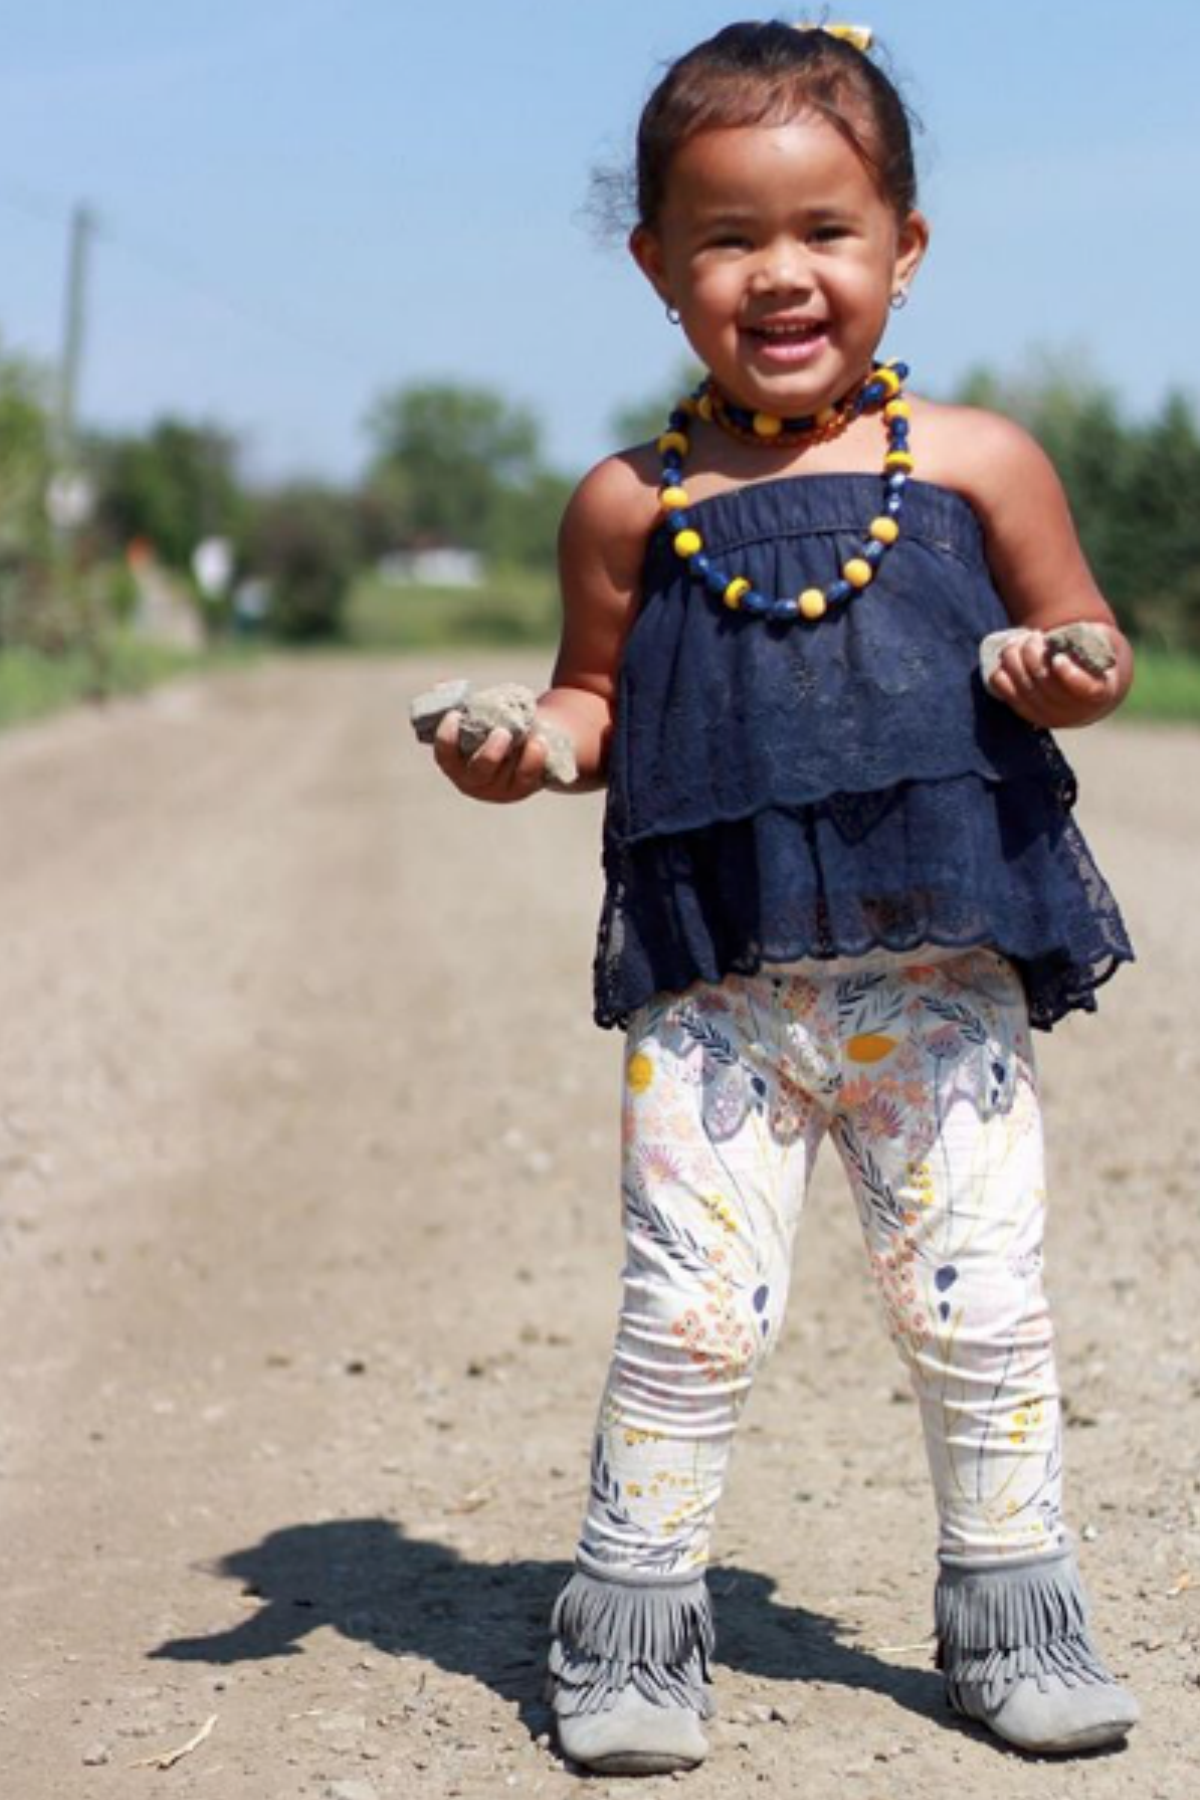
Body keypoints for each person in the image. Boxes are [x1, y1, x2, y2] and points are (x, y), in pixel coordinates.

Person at [426, 20, 1139, 1777]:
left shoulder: (976, 464)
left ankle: (1017, 1620)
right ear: (656, 263)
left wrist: (1064, 666)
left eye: (826, 229)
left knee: (979, 1309)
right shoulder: (629, 502)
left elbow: (1089, 639)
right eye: (729, 237)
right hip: (718, 992)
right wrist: (530, 748)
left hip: (941, 982)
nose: (781, 273)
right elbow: (594, 701)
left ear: (906, 244)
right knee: (690, 1314)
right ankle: (633, 1631)